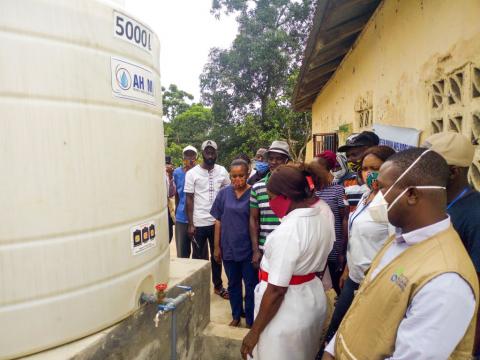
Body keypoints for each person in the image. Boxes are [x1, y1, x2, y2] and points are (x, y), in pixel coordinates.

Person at [323, 148, 478, 359]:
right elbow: (362, 305)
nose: (377, 195)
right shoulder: (399, 239)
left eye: (384, 188)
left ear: (412, 195)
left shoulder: (446, 280)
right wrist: (332, 350)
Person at [241, 164, 334, 360]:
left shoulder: (289, 231)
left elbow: (277, 290)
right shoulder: (321, 218)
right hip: (310, 298)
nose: (269, 202)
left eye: (271, 197)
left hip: (285, 311)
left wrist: (253, 333)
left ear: (286, 196)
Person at [324, 145, 396, 344]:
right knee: (337, 326)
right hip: (354, 277)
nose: (369, 174)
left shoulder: (391, 203)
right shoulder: (366, 196)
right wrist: (348, 267)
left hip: (373, 283)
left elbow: (395, 247)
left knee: (360, 335)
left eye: (375, 168)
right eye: (365, 169)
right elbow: (356, 235)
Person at [423, 131, 480, 355]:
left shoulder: (475, 213)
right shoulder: (436, 204)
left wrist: (471, 348)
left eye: (428, 167)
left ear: (453, 172)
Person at [211, 159, 258, 328]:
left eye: (241, 176)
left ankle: (251, 320)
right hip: (228, 248)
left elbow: (256, 222)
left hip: (247, 249)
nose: (237, 179)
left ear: (247, 174)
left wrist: (256, 250)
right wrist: (217, 247)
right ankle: (236, 315)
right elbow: (218, 221)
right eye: (234, 176)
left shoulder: (254, 193)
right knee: (233, 284)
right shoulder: (223, 194)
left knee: (251, 285)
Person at [185, 140, 230, 299]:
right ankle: (198, 287)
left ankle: (218, 286)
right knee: (197, 258)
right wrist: (190, 224)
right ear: (202, 153)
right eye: (207, 151)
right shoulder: (192, 174)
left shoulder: (223, 171)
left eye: (213, 151)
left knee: (217, 256)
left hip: (217, 222)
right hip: (199, 222)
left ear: (216, 153)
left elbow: (227, 193)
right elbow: (189, 199)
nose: (210, 154)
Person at [249, 141, 290, 268]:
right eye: (271, 158)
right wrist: (256, 250)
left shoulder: (295, 186)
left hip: (290, 248)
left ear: (287, 161)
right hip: (265, 248)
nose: (273, 162)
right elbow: (253, 219)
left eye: (278, 159)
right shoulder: (258, 187)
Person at [312, 151, 347, 295]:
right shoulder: (311, 190)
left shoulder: (338, 190)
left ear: (324, 169)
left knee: (335, 287)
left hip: (333, 247)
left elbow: (344, 219)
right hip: (315, 247)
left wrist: (342, 250)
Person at [337, 131, 380, 212]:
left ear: (368, 153)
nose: (349, 159)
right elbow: (347, 217)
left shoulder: (383, 183)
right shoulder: (347, 183)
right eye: (348, 156)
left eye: (354, 155)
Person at [173, 145, 198, 258]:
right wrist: (177, 211)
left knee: (199, 251)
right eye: (187, 155)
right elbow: (177, 195)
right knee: (182, 252)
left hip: (197, 216)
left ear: (196, 157)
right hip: (181, 217)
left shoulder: (200, 171)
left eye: (192, 155)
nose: (189, 158)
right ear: (183, 157)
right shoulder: (177, 173)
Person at [165, 156, 176, 243]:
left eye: (169, 164)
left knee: (169, 234)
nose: (168, 166)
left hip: (168, 209)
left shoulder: (172, 175)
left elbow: (171, 193)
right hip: (160, 207)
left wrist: (170, 175)